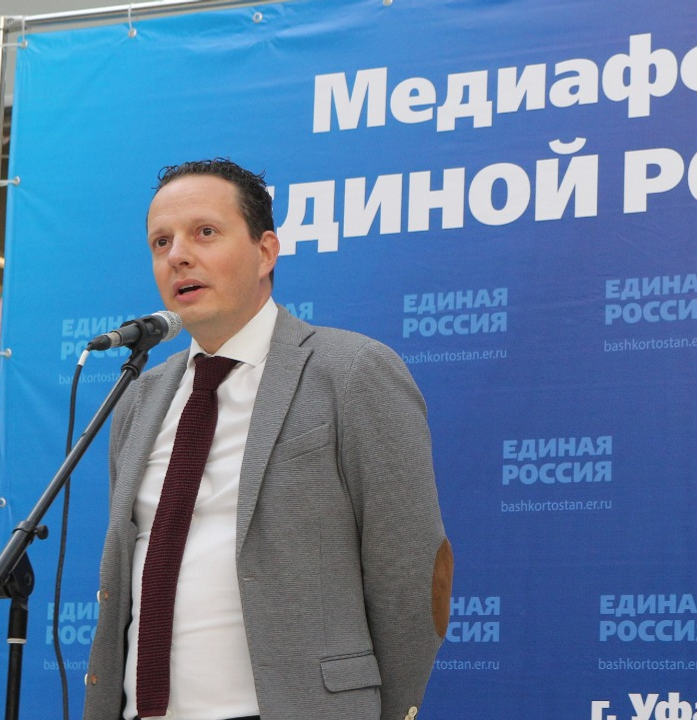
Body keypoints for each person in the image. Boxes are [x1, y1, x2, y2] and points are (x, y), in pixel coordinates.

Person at [82, 158, 453, 720]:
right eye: (161, 241)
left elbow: (410, 574)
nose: (178, 255)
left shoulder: (351, 372)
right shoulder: (140, 397)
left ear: (266, 252)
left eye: (205, 232)